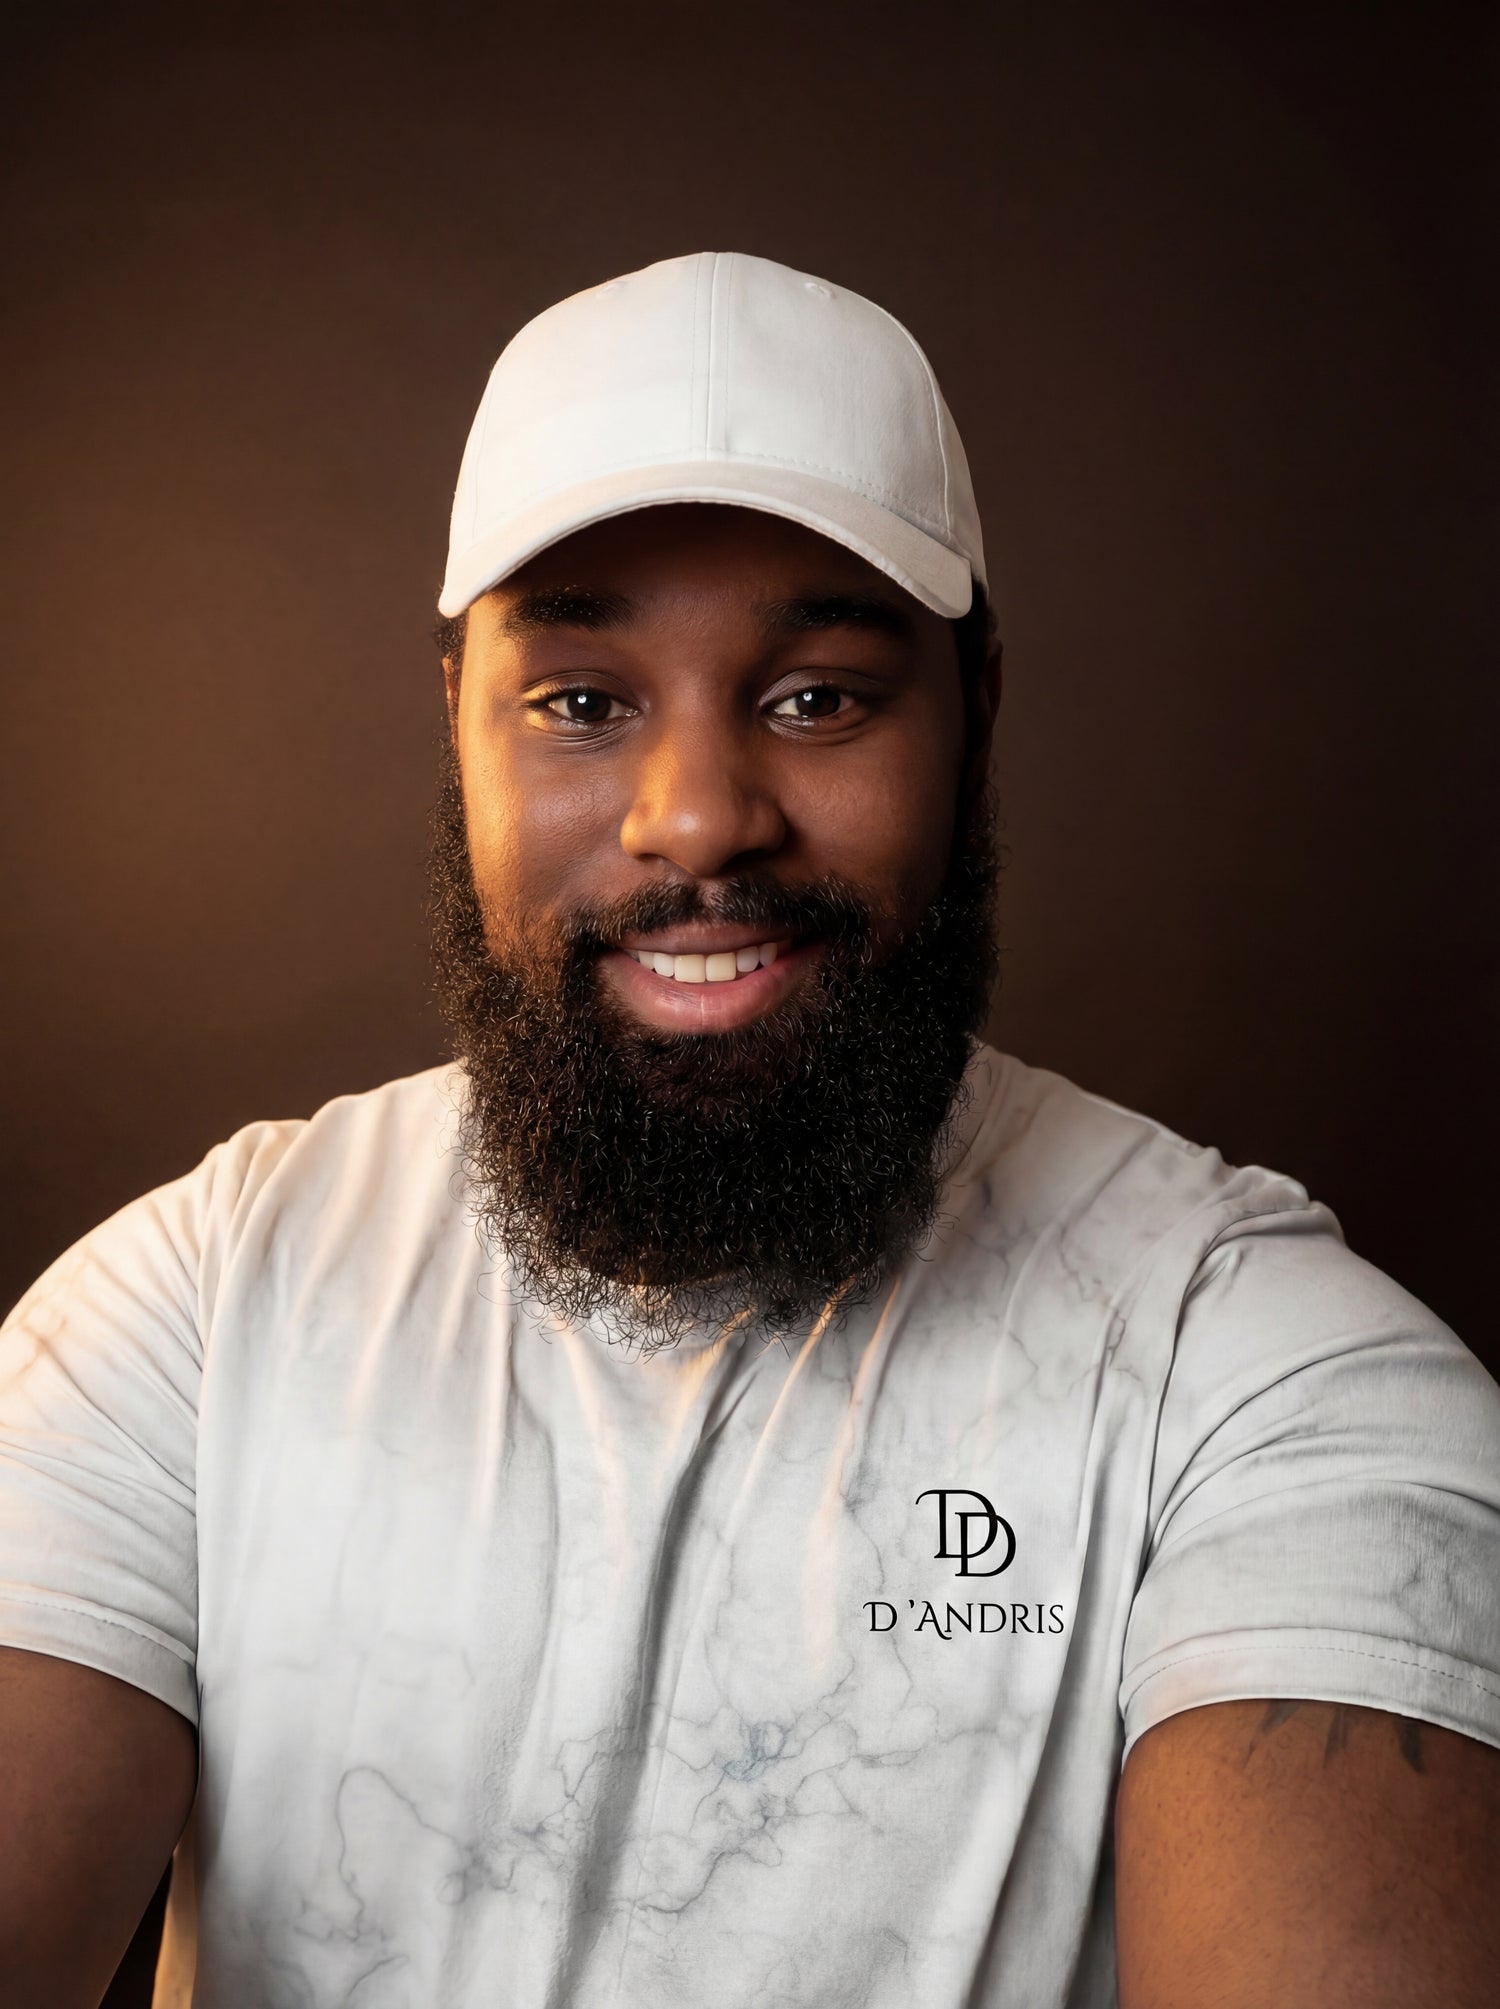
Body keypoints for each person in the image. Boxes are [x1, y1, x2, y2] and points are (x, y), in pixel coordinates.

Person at [1, 251, 1497, 2009]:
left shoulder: (1264, 1379)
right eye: (581, 701)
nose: (700, 817)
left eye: (817, 698)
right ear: (457, 723)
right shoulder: (195, 1316)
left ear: (978, 713)